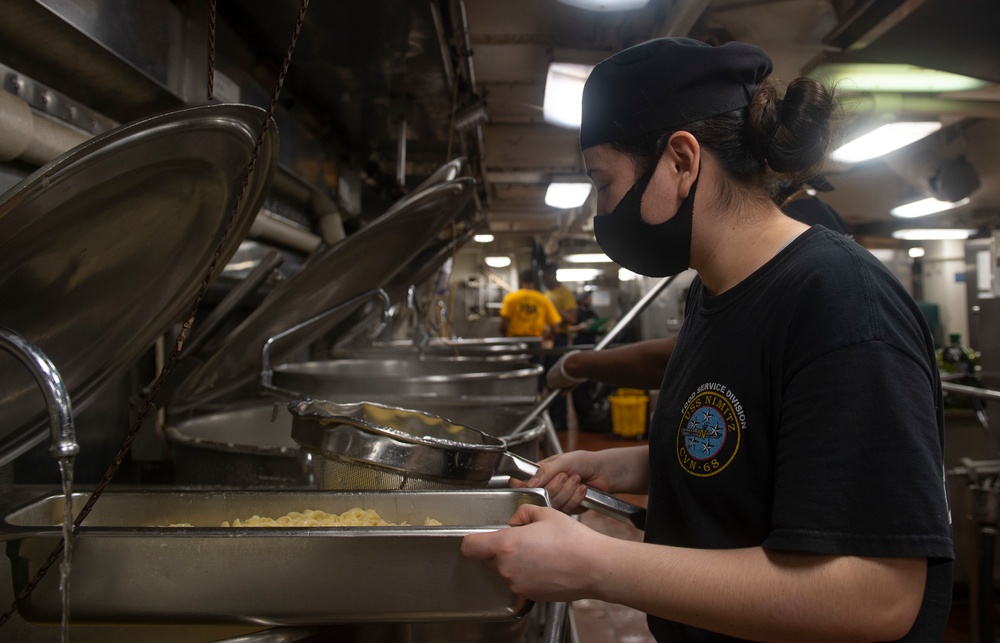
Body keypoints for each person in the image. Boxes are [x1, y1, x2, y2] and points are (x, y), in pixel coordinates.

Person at [462, 37, 953, 642]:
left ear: (680, 161)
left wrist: (595, 564)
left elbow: (874, 595)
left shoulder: (839, 303)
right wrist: (614, 466)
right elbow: (752, 450)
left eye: (603, 181)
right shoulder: (716, 293)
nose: (601, 209)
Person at [541, 264, 578, 429]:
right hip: (547, 339)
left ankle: (560, 420)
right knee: (547, 380)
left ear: (552, 275)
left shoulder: (565, 293)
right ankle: (549, 418)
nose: (544, 281)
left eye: (545, 277)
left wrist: (554, 309)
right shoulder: (547, 294)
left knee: (558, 378)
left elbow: (572, 319)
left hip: (560, 339)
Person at [498, 269, 561, 340]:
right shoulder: (544, 299)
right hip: (535, 342)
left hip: (515, 341)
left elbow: (503, 326)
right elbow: (556, 328)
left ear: (521, 281)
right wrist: (544, 338)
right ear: (535, 282)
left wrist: (508, 338)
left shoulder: (510, 298)